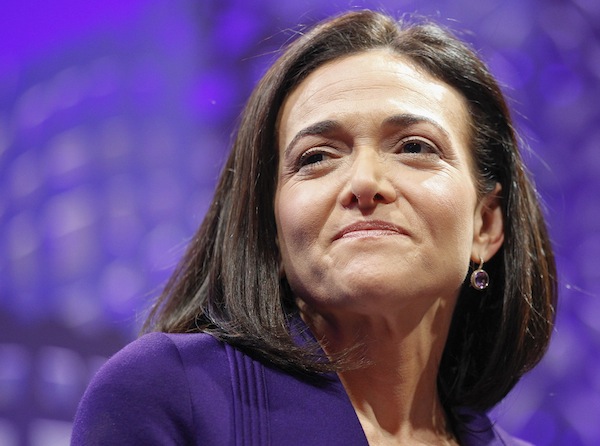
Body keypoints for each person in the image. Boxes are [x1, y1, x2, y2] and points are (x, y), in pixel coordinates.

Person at [72, 9, 557, 446]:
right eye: (317, 157)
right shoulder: (169, 394)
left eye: (414, 147)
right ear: (272, 227)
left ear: (486, 224)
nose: (364, 182)